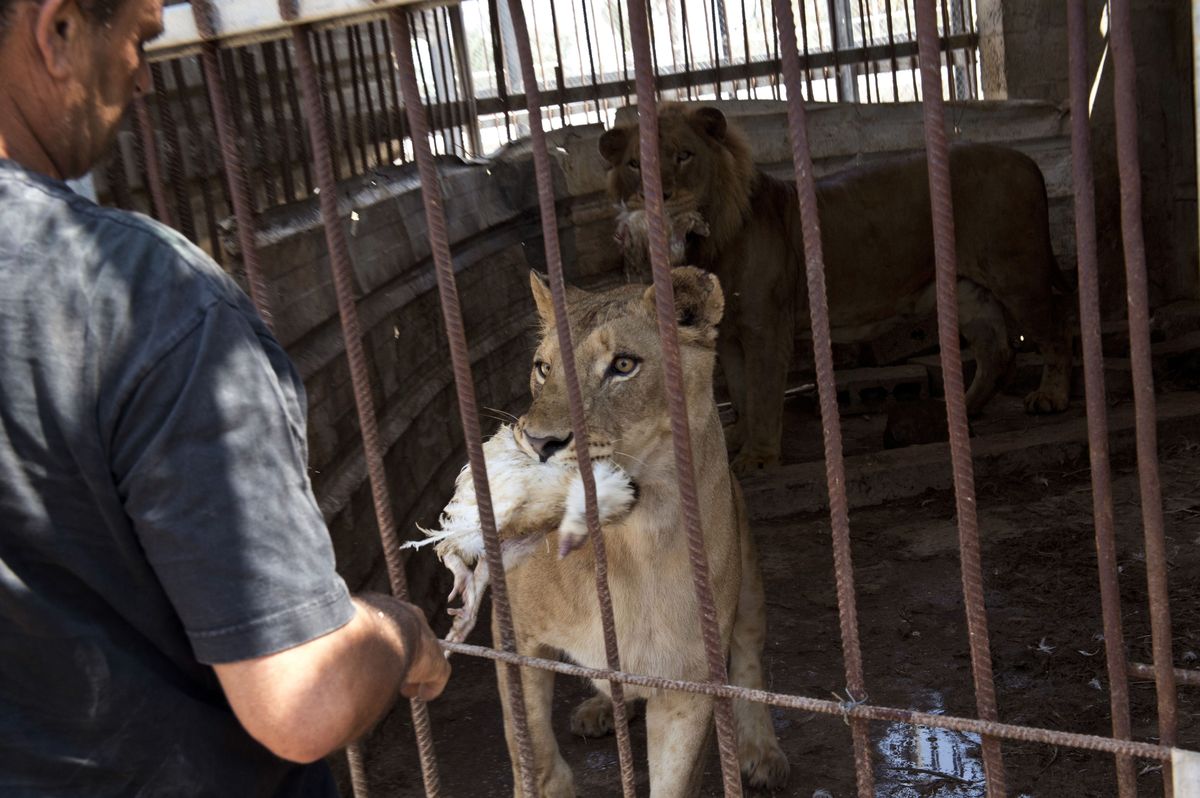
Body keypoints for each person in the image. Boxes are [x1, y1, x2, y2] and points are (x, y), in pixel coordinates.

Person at [0, 0, 450, 795]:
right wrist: (400, 629)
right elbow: (302, 699)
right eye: (139, 37)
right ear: (59, 30)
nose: (145, 75)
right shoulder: (142, 301)